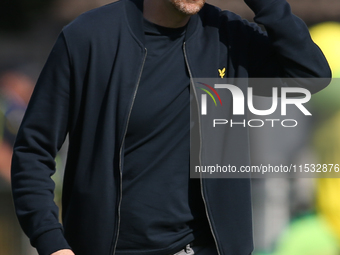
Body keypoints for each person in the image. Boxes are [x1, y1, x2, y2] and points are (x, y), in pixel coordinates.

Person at [11, 0, 331, 255]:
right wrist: (52, 242)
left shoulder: (228, 37)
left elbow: (310, 76)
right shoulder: (89, 38)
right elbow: (32, 153)